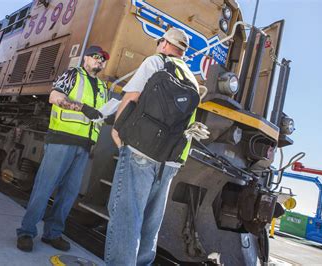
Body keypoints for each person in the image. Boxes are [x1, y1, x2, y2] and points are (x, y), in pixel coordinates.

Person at [105, 28, 208, 265]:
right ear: (183, 51)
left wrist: (117, 130)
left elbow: (131, 98)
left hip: (141, 149)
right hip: (171, 159)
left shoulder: (156, 62)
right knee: (151, 223)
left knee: (126, 216)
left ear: (163, 44)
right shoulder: (192, 79)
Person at [16, 46, 110, 252]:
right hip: (62, 140)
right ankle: (26, 232)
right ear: (86, 58)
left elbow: (101, 115)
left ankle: (53, 234)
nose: (100, 61)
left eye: (104, 59)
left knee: (69, 193)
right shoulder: (72, 74)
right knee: (45, 187)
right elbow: (54, 97)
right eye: (97, 57)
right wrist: (82, 107)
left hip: (84, 146)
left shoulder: (103, 87)